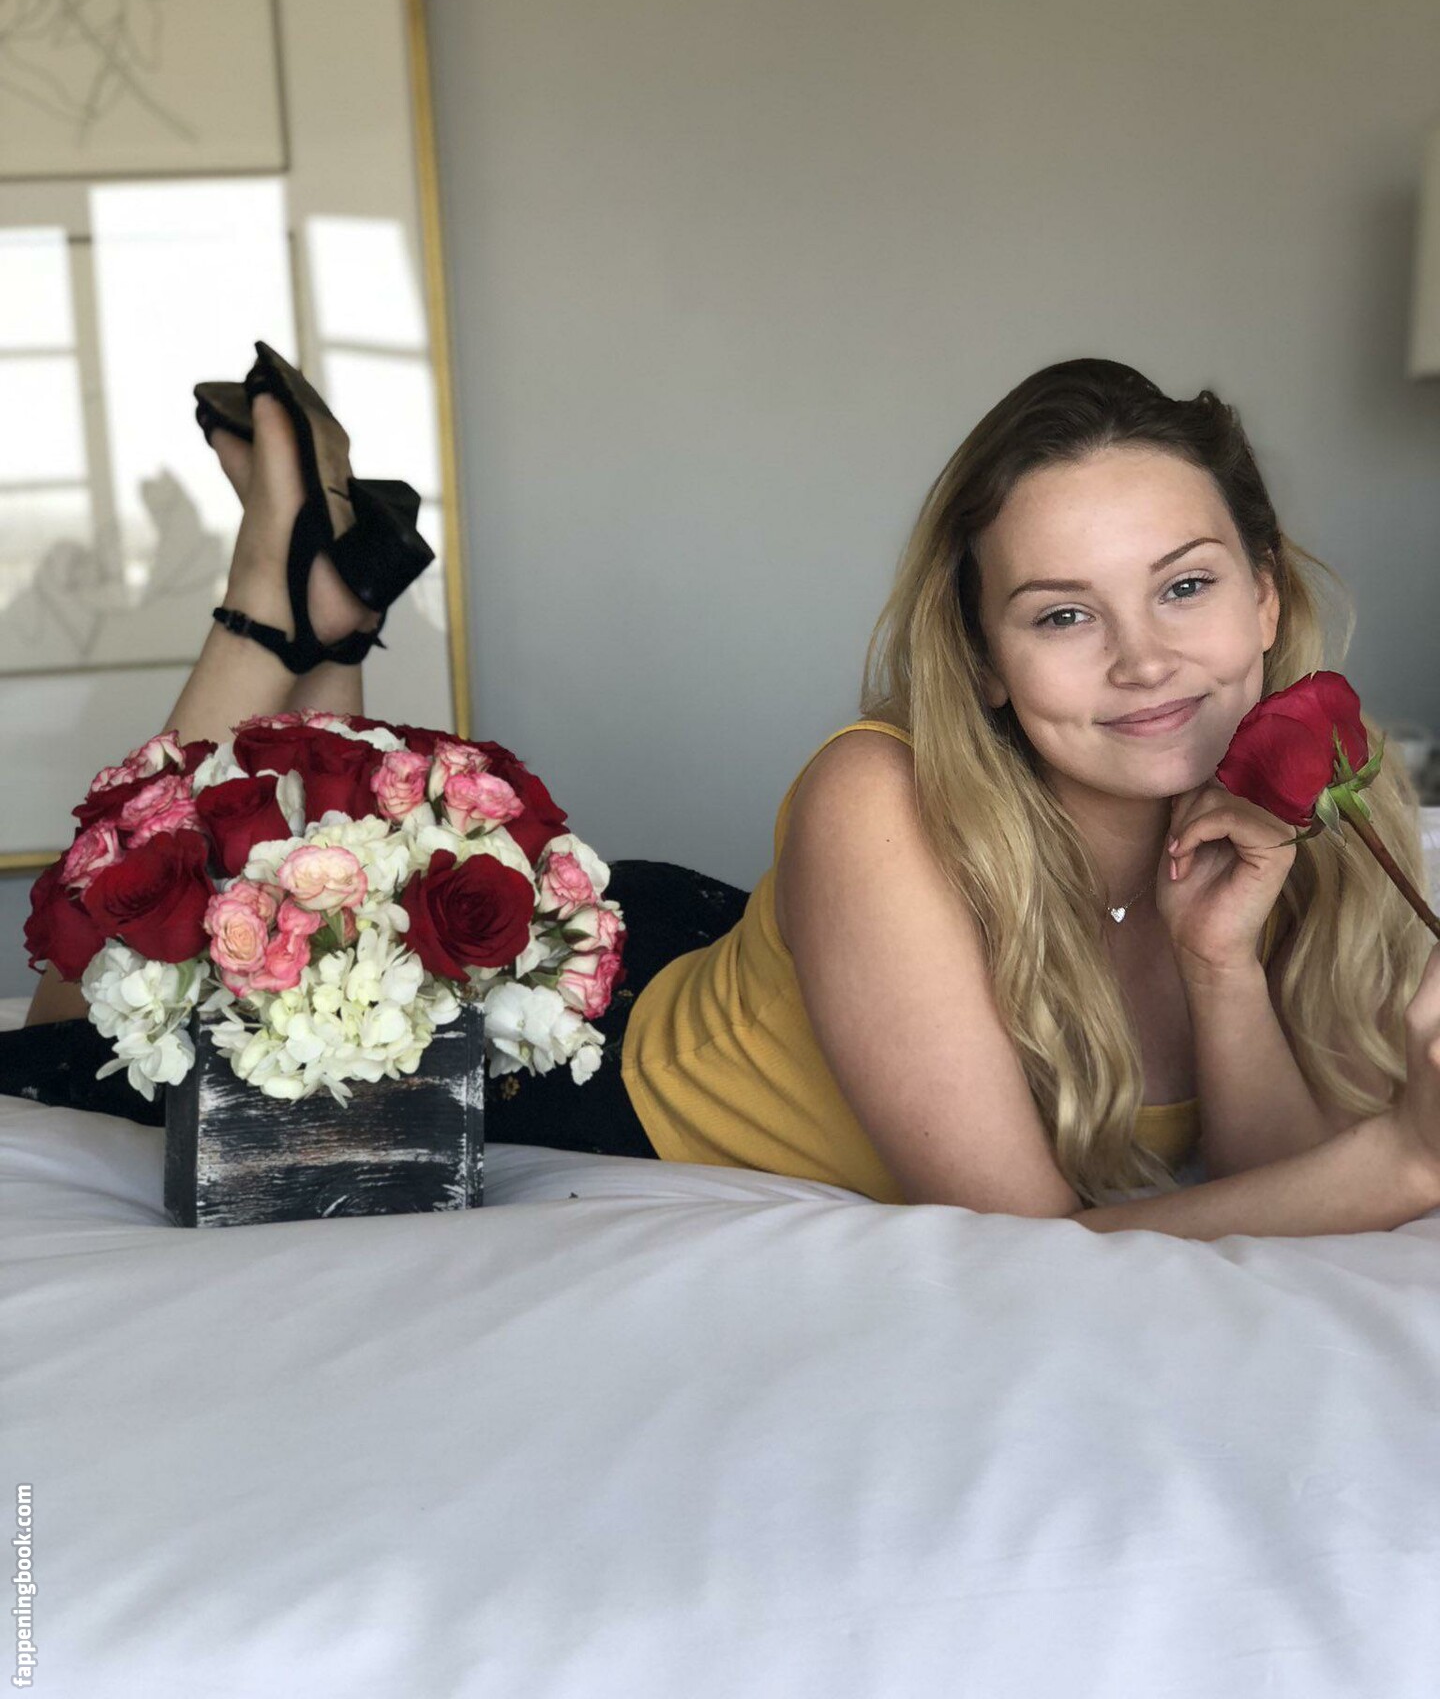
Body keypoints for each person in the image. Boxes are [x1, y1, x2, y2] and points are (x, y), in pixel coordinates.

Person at [8, 354, 1440, 1239]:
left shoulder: (1316, 806)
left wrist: (1221, 965)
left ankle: (330, 604)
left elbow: (1273, 1198)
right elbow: (1030, 1236)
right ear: (984, 661)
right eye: (1064, 614)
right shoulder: (879, 791)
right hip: (589, 1066)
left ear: (1266, 597)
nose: (1144, 659)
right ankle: (276, 595)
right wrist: (1402, 1163)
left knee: (283, 889)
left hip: (751, 951)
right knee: (96, 1007)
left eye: (1186, 587)